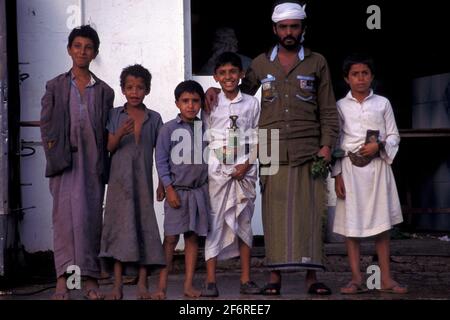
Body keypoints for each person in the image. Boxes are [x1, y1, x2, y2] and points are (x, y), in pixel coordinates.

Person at [205, 1, 339, 295]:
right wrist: (213, 89)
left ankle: (311, 277)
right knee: (274, 214)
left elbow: (328, 109)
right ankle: (274, 277)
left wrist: (327, 146)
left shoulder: (317, 62)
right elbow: (238, 93)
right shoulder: (260, 64)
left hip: (309, 149)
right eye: (283, 27)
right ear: (275, 29)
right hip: (271, 151)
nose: (289, 32)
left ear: (302, 28)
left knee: (311, 211)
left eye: (294, 26)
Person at [40, 25, 114, 300]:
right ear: (70, 49)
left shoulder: (104, 91)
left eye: (88, 47)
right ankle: (66, 282)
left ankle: (91, 280)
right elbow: (47, 124)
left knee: (90, 222)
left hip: (93, 164)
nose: (83, 51)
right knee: (64, 222)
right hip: (64, 164)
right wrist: (55, 152)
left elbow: (107, 127)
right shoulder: (56, 85)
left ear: (95, 53)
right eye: (78, 46)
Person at [332, 54, 407, 294]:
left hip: (377, 169)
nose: (360, 78)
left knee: (381, 227)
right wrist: (337, 175)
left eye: (365, 73)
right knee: (351, 226)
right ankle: (355, 278)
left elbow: (394, 135)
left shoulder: (382, 103)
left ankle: (386, 278)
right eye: (355, 74)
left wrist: (380, 145)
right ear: (347, 79)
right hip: (350, 170)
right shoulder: (340, 106)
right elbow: (336, 143)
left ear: (372, 76)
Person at [99, 64, 166, 300]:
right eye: (130, 87)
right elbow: (108, 146)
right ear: (122, 90)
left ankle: (142, 285)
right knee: (119, 230)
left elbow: (161, 153)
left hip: (143, 183)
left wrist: (162, 183)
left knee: (143, 229)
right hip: (119, 184)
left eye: (139, 88)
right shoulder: (114, 115)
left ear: (147, 90)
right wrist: (119, 134)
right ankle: (116, 285)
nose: (134, 92)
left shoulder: (154, 118)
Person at [201, 52, 261, 297]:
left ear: (241, 74)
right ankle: (210, 280)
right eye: (223, 73)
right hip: (218, 172)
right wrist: (222, 166)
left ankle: (246, 279)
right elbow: (206, 136)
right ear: (216, 77)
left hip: (245, 170)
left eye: (233, 72)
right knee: (214, 223)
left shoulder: (252, 103)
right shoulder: (211, 102)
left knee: (244, 222)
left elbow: (259, 135)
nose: (228, 77)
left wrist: (247, 164)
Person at [154, 80, 210, 299]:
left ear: (201, 103)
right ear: (177, 103)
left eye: (195, 101)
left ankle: (188, 285)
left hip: (198, 192)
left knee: (192, 238)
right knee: (170, 239)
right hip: (176, 191)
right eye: (185, 101)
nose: (190, 105)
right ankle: (161, 286)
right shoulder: (168, 129)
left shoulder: (205, 128)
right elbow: (161, 161)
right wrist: (167, 188)